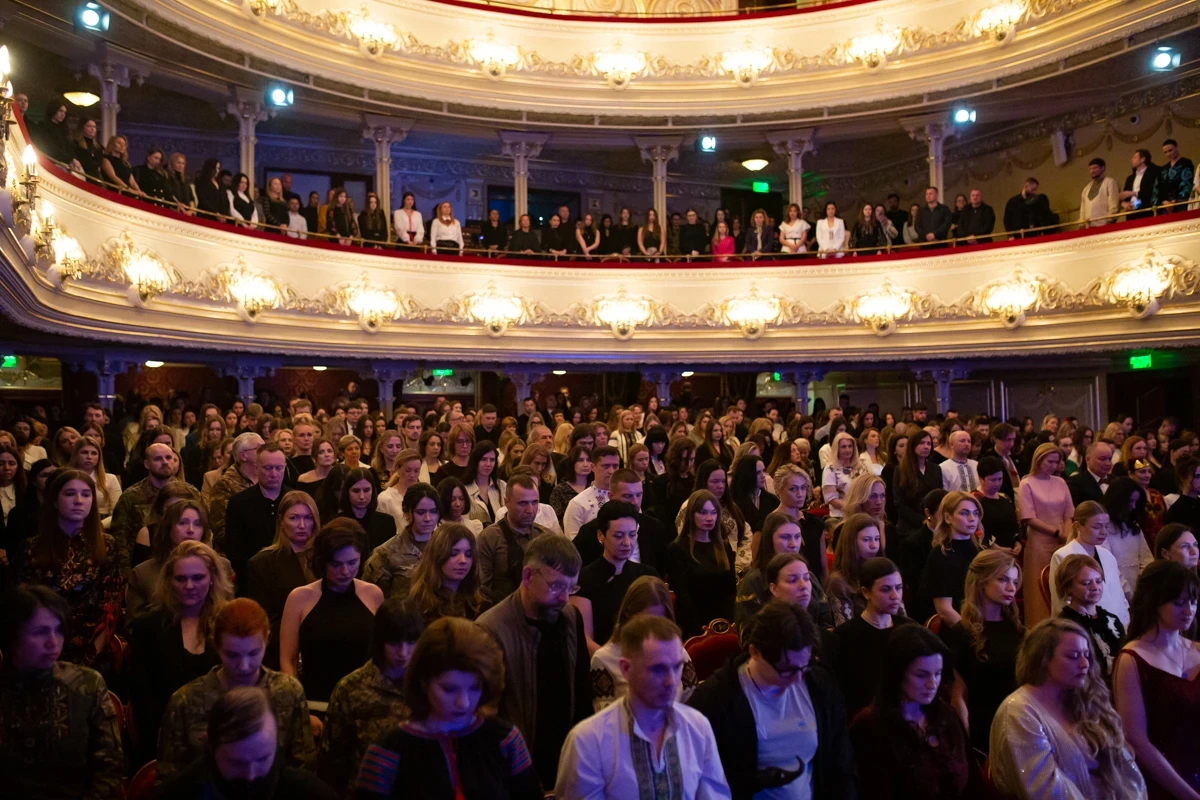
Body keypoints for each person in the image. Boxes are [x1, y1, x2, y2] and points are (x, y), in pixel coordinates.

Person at [354, 616, 542, 798]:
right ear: (423, 682)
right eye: (449, 689)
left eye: (474, 688)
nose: (464, 702)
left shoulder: (505, 740)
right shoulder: (388, 751)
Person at [690, 600, 857, 798]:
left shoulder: (819, 684)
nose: (797, 680)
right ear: (755, 652)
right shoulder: (717, 700)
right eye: (787, 670)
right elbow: (702, 780)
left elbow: (841, 764)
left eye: (804, 666)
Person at [557, 614, 729, 800]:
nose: (671, 681)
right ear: (626, 669)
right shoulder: (588, 740)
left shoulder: (698, 727)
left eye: (676, 667)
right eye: (658, 669)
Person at [156, 598, 314, 785]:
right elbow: (169, 779)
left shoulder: (288, 692)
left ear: (266, 641)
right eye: (232, 655)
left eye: (253, 653)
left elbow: (304, 769)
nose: (244, 666)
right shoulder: (186, 701)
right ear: (217, 646)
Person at [476, 533, 591, 787]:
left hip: (566, 761)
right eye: (556, 586)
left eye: (571, 588)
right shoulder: (489, 631)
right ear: (528, 576)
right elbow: (485, 715)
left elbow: (582, 694)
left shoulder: (570, 618)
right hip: (515, 768)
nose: (565, 598)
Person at [989, 617, 1147, 799]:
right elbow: (1047, 791)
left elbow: (1126, 772)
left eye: (1086, 655)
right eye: (1073, 656)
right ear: (1042, 659)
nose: (1085, 664)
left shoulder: (1081, 700)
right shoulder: (1018, 712)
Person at [0, 585, 124, 799]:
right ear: (13, 637)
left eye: (58, 630)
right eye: (40, 632)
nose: (53, 642)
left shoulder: (86, 684)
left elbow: (110, 770)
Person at [850, 625, 984, 799]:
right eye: (921, 675)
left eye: (937, 673)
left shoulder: (947, 716)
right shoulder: (869, 726)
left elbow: (974, 784)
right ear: (897, 674)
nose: (932, 684)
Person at [1112, 560, 1200, 799]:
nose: (1189, 610)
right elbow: (1137, 740)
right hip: (1164, 778)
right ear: (1155, 602)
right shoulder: (1132, 658)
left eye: (1193, 602)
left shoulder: (1197, 650)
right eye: (1179, 603)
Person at [320, 597, 426, 795]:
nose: (403, 652)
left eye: (411, 642)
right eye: (394, 643)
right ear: (380, 640)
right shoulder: (351, 688)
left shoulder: (430, 685)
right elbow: (333, 761)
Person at [19, 470, 124, 667]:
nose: (78, 501)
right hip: (43, 644)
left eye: (86, 494)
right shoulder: (32, 548)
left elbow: (111, 605)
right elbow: (23, 605)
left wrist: (92, 654)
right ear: (54, 501)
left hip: (92, 648)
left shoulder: (107, 545)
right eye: (69, 494)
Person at [157, 685, 335, 798]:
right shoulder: (180, 793)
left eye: (262, 759)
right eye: (237, 763)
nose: (251, 775)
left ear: (277, 743)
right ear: (210, 746)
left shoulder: (311, 794)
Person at [280, 518, 384, 705]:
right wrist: (299, 705)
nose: (345, 571)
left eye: (352, 562)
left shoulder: (373, 595)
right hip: (314, 703)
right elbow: (288, 661)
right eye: (336, 564)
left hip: (363, 704)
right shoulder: (299, 598)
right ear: (323, 562)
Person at [943, 549, 1023, 754]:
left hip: (1019, 720)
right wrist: (967, 745)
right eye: (1003, 580)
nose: (1011, 588)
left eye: (1015, 582)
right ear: (981, 581)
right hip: (984, 726)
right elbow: (959, 695)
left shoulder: (1018, 631)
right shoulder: (962, 632)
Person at [832, 556, 915, 716]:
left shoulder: (909, 630)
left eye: (898, 588)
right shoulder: (845, 636)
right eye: (886, 589)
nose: (895, 596)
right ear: (866, 592)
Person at [245, 491, 318, 669]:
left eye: (308, 518)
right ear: (281, 521)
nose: (302, 525)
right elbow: (263, 620)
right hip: (279, 653)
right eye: (294, 518)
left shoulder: (326, 557)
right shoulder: (263, 563)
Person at [574, 501, 660, 648]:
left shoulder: (647, 574)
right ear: (601, 535)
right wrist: (612, 660)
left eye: (632, 535)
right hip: (601, 656)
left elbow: (660, 628)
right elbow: (585, 639)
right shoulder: (584, 579)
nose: (627, 542)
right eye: (619, 536)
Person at [1018, 442, 1075, 626]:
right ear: (1038, 460)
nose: (1053, 465)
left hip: (1063, 538)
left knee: (1061, 584)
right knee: (1038, 588)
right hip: (1039, 541)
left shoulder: (1060, 482)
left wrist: (1066, 535)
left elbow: (1069, 514)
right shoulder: (1027, 483)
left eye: (1056, 462)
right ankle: (1039, 626)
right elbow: (1029, 518)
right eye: (1049, 461)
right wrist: (1057, 533)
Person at [666, 489, 737, 638]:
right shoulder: (678, 549)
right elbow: (682, 595)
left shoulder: (724, 547)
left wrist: (728, 623)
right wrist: (700, 629)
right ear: (691, 515)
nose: (709, 518)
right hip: (694, 626)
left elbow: (731, 590)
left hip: (724, 623)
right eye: (703, 513)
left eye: (713, 513)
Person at [224, 442, 291, 594]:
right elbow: (234, 550)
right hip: (252, 581)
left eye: (279, 468)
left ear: (285, 467)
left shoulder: (294, 500)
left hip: (290, 579)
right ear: (256, 468)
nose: (273, 473)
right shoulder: (239, 503)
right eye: (267, 468)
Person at [1050, 501, 1130, 626]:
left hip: (1117, 626)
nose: (1103, 532)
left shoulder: (1107, 556)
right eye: (1097, 527)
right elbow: (1061, 602)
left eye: (1106, 526)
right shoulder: (1063, 556)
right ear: (1078, 526)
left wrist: (1124, 622)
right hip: (1082, 627)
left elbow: (1119, 596)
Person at [110, 440, 179, 574]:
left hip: (181, 560)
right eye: (158, 459)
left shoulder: (188, 494)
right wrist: (128, 575)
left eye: (169, 457)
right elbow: (120, 539)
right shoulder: (131, 496)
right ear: (147, 464)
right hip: (143, 564)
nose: (165, 462)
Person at [477, 475, 550, 602]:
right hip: (499, 608)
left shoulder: (545, 537)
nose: (530, 510)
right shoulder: (489, 538)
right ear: (506, 503)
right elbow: (482, 590)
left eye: (534, 502)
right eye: (523, 503)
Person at [363, 483, 441, 600]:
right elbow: (372, 599)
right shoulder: (385, 554)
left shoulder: (447, 547)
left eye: (433, 511)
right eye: (420, 512)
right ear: (406, 513)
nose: (428, 518)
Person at [1056, 553, 1126, 681]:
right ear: (1068, 587)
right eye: (1086, 583)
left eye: (1098, 581)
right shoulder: (1065, 625)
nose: (1095, 587)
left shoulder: (1112, 620)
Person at [921, 491, 983, 627]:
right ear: (948, 518)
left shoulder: (980, 551)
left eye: (975, 513)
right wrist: (973, 633)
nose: (972, 518)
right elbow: (945, 610)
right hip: (959, 628)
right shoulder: (940, 555)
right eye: (964, 513)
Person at [407, 521, 486, 621]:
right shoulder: (416, 605)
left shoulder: (483, 601)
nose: (463, 560)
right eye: (454, 553)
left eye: (468, 554)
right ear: (437, 555)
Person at [825, 513, 884, 626]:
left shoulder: (883, 573)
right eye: (866, 540)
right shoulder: (839, 581)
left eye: (877, 539)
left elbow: (901, 616)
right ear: (851, 543)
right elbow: (845, 629)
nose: (874, 545)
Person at [564, 444, 620, 540]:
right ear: (593, 467)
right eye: (606, 466)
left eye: (615, 466)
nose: (611, 471)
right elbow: (572, 543)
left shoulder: (628, 497)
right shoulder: (578, 504)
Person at [337, 465, 397, 550]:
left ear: (373, 490)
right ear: (347, 492)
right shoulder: (336, 523)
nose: (362, 496)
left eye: (366, 490)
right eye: (356, 491)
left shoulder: (387, 522)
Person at [1152, 138, 1195, 213]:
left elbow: (1187, 184)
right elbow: (1156, 189)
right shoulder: (1163, 170)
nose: (1168, 154)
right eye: (1165, 152)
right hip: (1164, 207)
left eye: (1170, 150)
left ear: (1176, 147)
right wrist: (1163, 202)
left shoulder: (1185, 163)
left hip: (1181, 205)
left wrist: (1174, 202)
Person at [1067, 441, 1114, 507]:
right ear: (1088, 460)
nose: (1108, 463)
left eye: (1109, 459)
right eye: (1102, 459)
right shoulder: (1075, 482)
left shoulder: (1116, 481)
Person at [1080, 157, 1121, 227]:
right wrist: (1081, 224)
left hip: (1105, 225)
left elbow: (1113, 204)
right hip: (1088, 226)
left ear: (1103, 168)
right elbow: (1082, 210)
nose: (1092, 171)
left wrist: (1110, 220)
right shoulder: (1086, 189)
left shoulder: (1110, 182)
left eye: (1095, 168)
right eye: (1090, 169)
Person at [1120, 148, 1160, 220]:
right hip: (1131, 214)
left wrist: (1133, 194)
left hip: (1146, 212)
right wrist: (1124, 204)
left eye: (1135, 157)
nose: (1132, 159)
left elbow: (1151, 193)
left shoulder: (1153, 173)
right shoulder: (1130, 178)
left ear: (1142, 159)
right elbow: (1125, 195)